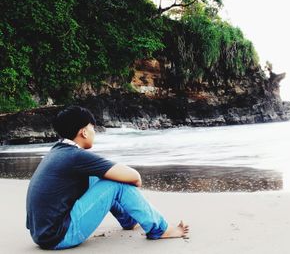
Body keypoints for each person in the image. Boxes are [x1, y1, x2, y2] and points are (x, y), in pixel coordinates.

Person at [26, 106, 189, 250]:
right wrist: (134, 182)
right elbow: (134, 176)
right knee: (116, 183)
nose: (94, 132)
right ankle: (159, 229)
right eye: (92, 128)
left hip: (41, 234)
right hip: (59, 236)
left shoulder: (58, 152)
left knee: (97, 177)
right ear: (83, 132)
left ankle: (128, 219)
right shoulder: (75, 156)